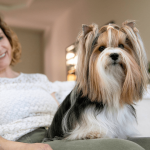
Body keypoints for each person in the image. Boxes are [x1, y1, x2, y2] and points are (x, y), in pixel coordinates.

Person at [0, 17, 57, 150]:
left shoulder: (39, 79)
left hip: (60, 135)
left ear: (9, 40)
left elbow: (64, 114)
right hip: (22, 142)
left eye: (0, 38)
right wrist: (25, 147)